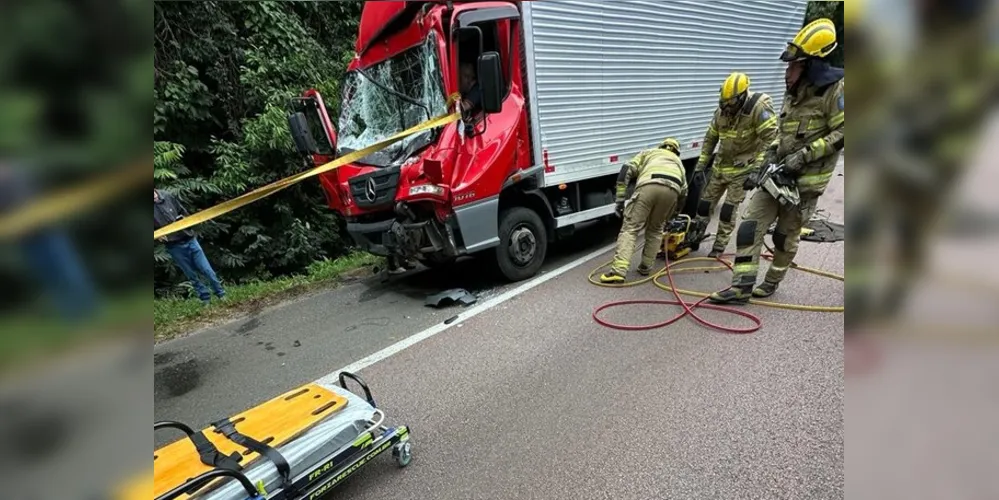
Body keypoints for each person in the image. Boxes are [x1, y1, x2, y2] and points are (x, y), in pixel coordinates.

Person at [709, 18, 844, 304]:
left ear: (811, 67)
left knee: (784, 238)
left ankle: (772, 281)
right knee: (749, 227)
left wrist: (805, 155)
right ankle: (741, 287)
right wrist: (764, 163)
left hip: (804, 185)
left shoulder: (834, 91)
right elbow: (779, 135)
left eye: (793, 66)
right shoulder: (791, 94)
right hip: (777, 178)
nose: (787, 72)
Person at [692, 72, 778, 258]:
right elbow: (711, 138)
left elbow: (771, 139)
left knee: (728, 211)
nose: (727, 108)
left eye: (730, 104)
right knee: (704, 206)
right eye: (724, 103)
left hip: (743, 170)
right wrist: (701, 165)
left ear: (742, 97)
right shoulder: (722, 111)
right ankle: (694, 237)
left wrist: (757, 170)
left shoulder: (758, 108)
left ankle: (718, 247)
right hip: (720, 167)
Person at [600, 138, 688, 283]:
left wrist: (620, 200)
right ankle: (646, 267)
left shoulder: (649, 153)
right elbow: (684, 193)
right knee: (656, 229)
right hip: (672, 191)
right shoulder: (679, 164)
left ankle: (618, 271)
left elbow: (625, 170)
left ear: (661, 146)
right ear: (676, 152)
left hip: (648, 186)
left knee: (631, 228)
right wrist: (674, 213)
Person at [154, 188, 226, 305]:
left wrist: (183, 220)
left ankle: (221, 294)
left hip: (189, 239)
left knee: (207, 270)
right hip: (174, 246)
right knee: (191, 274)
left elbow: (184, 213)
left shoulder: (167, 196)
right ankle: (205, 299)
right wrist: (158, 236)